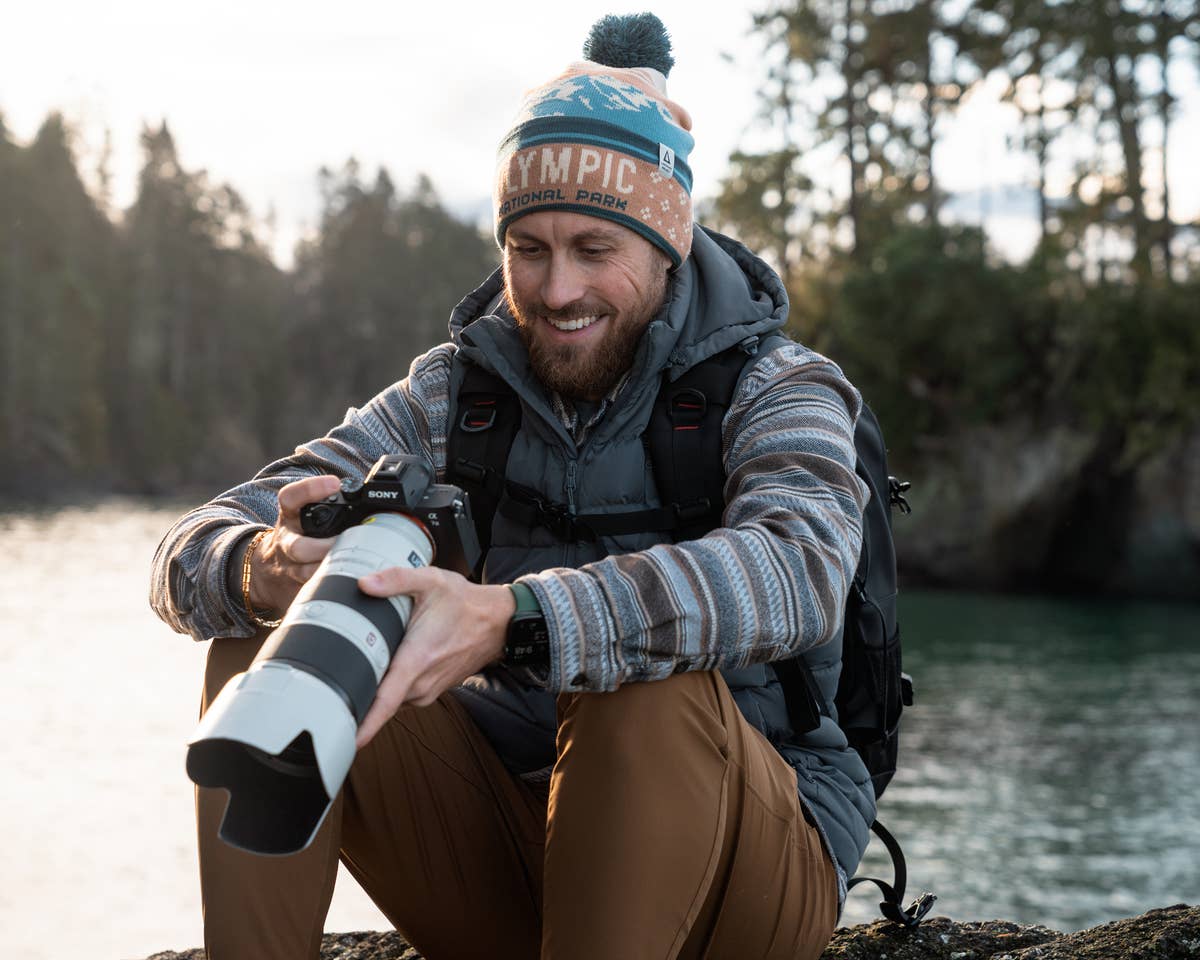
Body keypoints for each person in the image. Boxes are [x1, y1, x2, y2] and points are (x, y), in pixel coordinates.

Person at [151, 13, 875, 960]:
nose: (558, 288)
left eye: (593, 248)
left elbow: (801, 571)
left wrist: (515, 618)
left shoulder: (780, 386)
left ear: (666, 243)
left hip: (744, 875)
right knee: (261, 655)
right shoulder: (458, 393)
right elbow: (188, 551)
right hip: (510, 854)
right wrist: (271, 562)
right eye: (527, 248)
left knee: (637, 684)